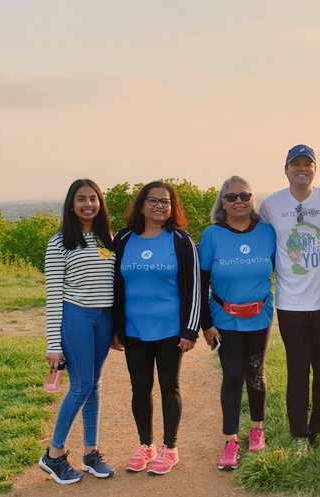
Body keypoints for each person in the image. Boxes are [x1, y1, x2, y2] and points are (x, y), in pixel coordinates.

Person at [259, 144, 320, 454]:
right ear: (285, 170)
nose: (302, 168)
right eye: (295, 163)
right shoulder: (271, 205)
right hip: (290, 305)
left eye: (307, 163)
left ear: (315, 168)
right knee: (297, 372)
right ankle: (299, 435)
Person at [113, 180, 201, 476]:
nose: (160, 206)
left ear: (172, 207)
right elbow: (115, 286)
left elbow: (194, 287)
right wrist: (116, 327)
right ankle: (145, 445)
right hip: (135, 329)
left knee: (169, 386)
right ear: (141, 205)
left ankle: (170, 448)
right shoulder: (124, 239)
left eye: (165, 202)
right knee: (139, 388)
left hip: (170, 331)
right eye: (153, 201)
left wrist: (190, 330)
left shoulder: (180, 240)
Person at [40, 179, 118, 484]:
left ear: (100, 203)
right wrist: (53, 344)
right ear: (71, 205)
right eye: (81, 199)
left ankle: (90, 453)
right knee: (81, 385)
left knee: (94, 384)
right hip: (76, 318)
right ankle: (54, 455)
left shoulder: (107, 239)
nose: (88, 204)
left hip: (104, 319)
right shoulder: (59, 242)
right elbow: (53, 295)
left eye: (93, 198)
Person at [199, 176, 277, 470]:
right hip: (224, 319)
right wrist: (205, 324)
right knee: (232, 375)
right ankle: (231, 440)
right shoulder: (212, 235)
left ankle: (257, 428)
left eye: (245, 195)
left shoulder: (268, 232)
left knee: (256, 372)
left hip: (260, 316)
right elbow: (202, 281)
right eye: (232, 197)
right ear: (222, 202)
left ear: (252, 199)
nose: (239, 201)